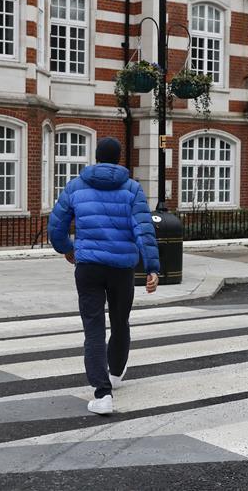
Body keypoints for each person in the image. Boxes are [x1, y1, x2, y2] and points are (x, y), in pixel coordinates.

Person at [48, 136, 160, 415]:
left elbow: (56, 224)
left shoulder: (76, 185)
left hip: (88, 267)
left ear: (96, 157)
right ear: (119, 158)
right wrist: (152, 268)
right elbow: (143, 230)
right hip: (122, 268)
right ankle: (116, 373)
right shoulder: (133, 189)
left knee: (93, 327)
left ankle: (102, 394)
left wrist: (67, 248)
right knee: (120, 321)